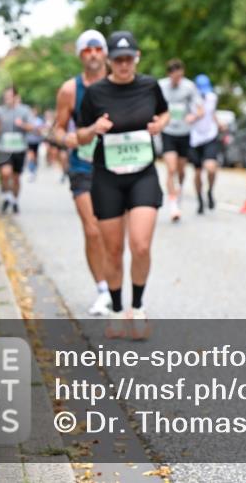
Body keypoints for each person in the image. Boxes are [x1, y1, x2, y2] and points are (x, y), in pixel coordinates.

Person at [77, 31, 169, 339]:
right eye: (118, 60)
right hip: (108, 176)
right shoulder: (96, 93)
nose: (124, 65)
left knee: (140, 245)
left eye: (129, 59)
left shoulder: (149, 86)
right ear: (109, 61)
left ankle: (138, 308)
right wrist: (95, 128)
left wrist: (160, 124)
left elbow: (164, 112)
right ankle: (117, 309)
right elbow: (80, 135)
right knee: (113, 250)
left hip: (143, 173)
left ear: (137, 58)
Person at [52, 30, 113, 317]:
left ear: (105, 53)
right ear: (80, 55)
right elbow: (57, 128)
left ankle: (115, 286)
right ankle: (102, 290)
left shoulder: (120, 82)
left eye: (98, 49)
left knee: (112, 233)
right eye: (87, 50)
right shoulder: (70, 90)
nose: (93, 54)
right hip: (83, 165)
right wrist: (67, 138)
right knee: (92, 229)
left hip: (116, 166)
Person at [157, 59, 199, 222]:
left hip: (184, 132)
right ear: (169, 74)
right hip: (168, 131)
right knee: (171, 168)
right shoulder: (161, 86)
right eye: (175, 76)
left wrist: (194, 116)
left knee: (181, 170)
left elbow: (200, 108)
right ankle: (173, 203)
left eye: (180, 76)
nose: (177, 79)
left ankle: (179, 189)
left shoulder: (189, 87)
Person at [0, 86, 36, 214]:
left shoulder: (24, 110)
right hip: (4, 148)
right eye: (5, 96)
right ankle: (7, 197)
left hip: (19, 148)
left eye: (9, 96)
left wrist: (22, 124)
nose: (7, 99)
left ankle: (14, 201)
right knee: (5, 173)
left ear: (16, 97)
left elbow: (32, 127)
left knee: (16, 178)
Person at [188, 73, 220, 214]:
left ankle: (210, 191)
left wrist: (219, 123)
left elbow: (212, 113)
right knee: (197, 171)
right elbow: (186, 117)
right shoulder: (190, 99)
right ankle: (199, 199)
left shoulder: (212, 97)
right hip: (194, 138)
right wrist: (195, 116)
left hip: (209, 136)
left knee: (211, 167)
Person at [25, 106, 45, 181]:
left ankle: (34, 168)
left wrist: (34, 129)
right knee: (30, 155)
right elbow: (26, 128)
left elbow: (40, 131)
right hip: (29, 140)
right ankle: (31, 170)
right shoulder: (28, 120)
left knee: (35, 155)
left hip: (36, 141)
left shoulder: (39, 121)